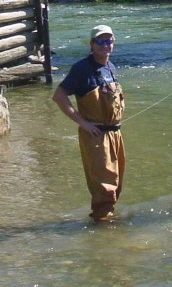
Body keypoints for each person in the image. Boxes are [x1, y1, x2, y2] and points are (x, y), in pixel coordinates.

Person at [52, 24, 125, 221]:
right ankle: (102, 228)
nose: (105, 45)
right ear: (92, 44)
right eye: (100, 41)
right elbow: (59, 96)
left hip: (114, 134)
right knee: (104, 185)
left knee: (116, 183)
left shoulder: (111, 67)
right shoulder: (81, 68)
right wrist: (83, 123)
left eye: (109, 41)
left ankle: (106, 221)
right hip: (96, 134)